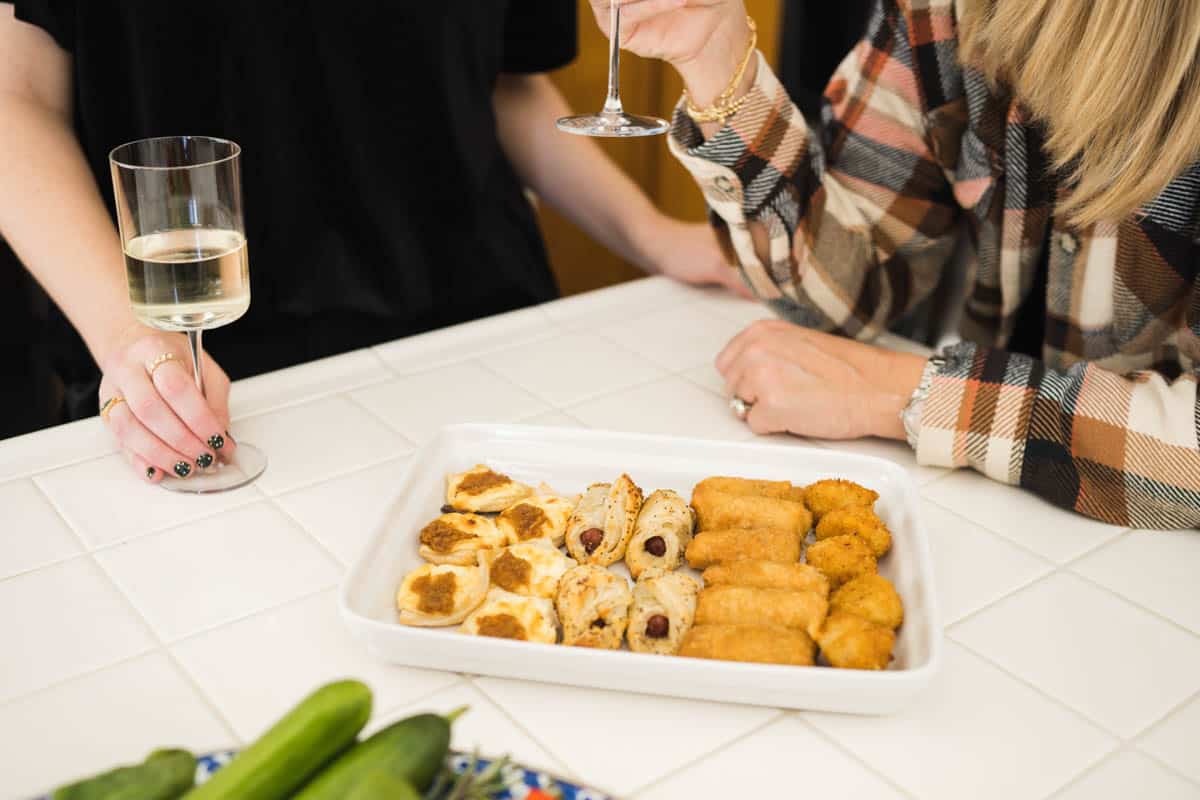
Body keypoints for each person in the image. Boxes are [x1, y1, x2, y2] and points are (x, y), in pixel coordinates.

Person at [0, 2, 743, 471]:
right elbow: (14, 97)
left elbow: (501, 85)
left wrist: (655, 236)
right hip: (212, 378)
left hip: (480, 340)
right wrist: (128, 340)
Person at [589, 0, 1200, 529]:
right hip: (998, 515)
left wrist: (902, 393)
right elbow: (851, 289)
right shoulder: (944, 12)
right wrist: (718, 61)